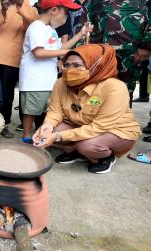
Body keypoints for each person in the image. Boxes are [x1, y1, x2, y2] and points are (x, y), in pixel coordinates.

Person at [33, 44, 141, 174]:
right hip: (83, 124)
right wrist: (47, 126)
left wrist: (57, 136)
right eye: (66, 65)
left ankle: (106, 157)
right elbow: (55, 110)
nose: (69, 70)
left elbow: (100, 127)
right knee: (53, 129)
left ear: (96, 65)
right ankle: (76, 152)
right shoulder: (61, 83)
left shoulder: (115, 87)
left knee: (86, 145)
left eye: (77, 65)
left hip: (115, 130)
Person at [19, 0, 88, 143]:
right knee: (31, 110)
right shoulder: (36, 27)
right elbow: (38, 52)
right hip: (35, 80)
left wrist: (80, 35)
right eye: (66, 13)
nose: (67, 17)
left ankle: (40, 135)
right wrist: (68, 51)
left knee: (45, 110)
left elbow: (59, 50)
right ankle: (26, 137)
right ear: (54, 10)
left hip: (47, 80)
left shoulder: (50, 29)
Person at [0, 0, 38, 138]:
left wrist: (20, 5)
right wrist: (3, 12)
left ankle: (3, 124)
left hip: (11, 59)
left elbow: (32, 28)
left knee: (6, 94)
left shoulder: (30, 10)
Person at [80, 0, 151, 105]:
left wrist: (147, 47)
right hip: (99, 55)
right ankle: (99, 120)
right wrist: (80, 53)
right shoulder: (93, 2)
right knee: (97, 93)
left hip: (128, 54)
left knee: (124, 93)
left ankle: (122, 119)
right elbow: (84, 25)